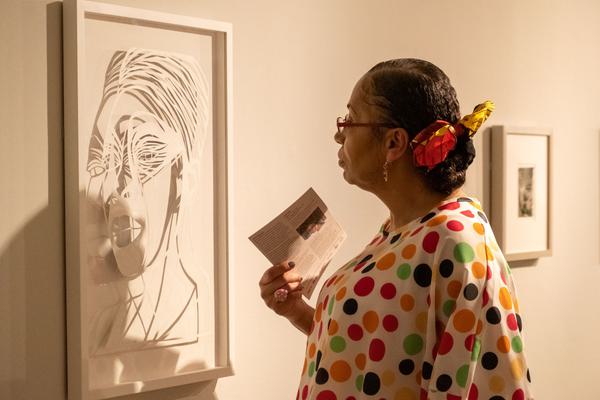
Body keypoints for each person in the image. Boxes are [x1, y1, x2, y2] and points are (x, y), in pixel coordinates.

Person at [259, 58, 533, 400]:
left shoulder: (459, 241)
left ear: (394, 143)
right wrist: (297, 311)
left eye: (349, 120)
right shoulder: (401, 229)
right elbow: (373, 352)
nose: (338, 134)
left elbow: (490, 384)